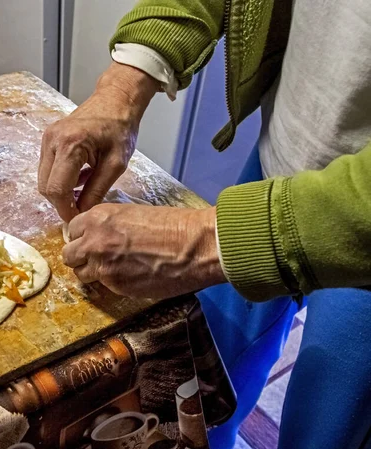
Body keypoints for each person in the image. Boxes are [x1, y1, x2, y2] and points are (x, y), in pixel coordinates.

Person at [38, 1, 371, 448]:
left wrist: (199, 241)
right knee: (202, 382)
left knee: (323, 433)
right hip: (282, 158)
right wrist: (119, 89)